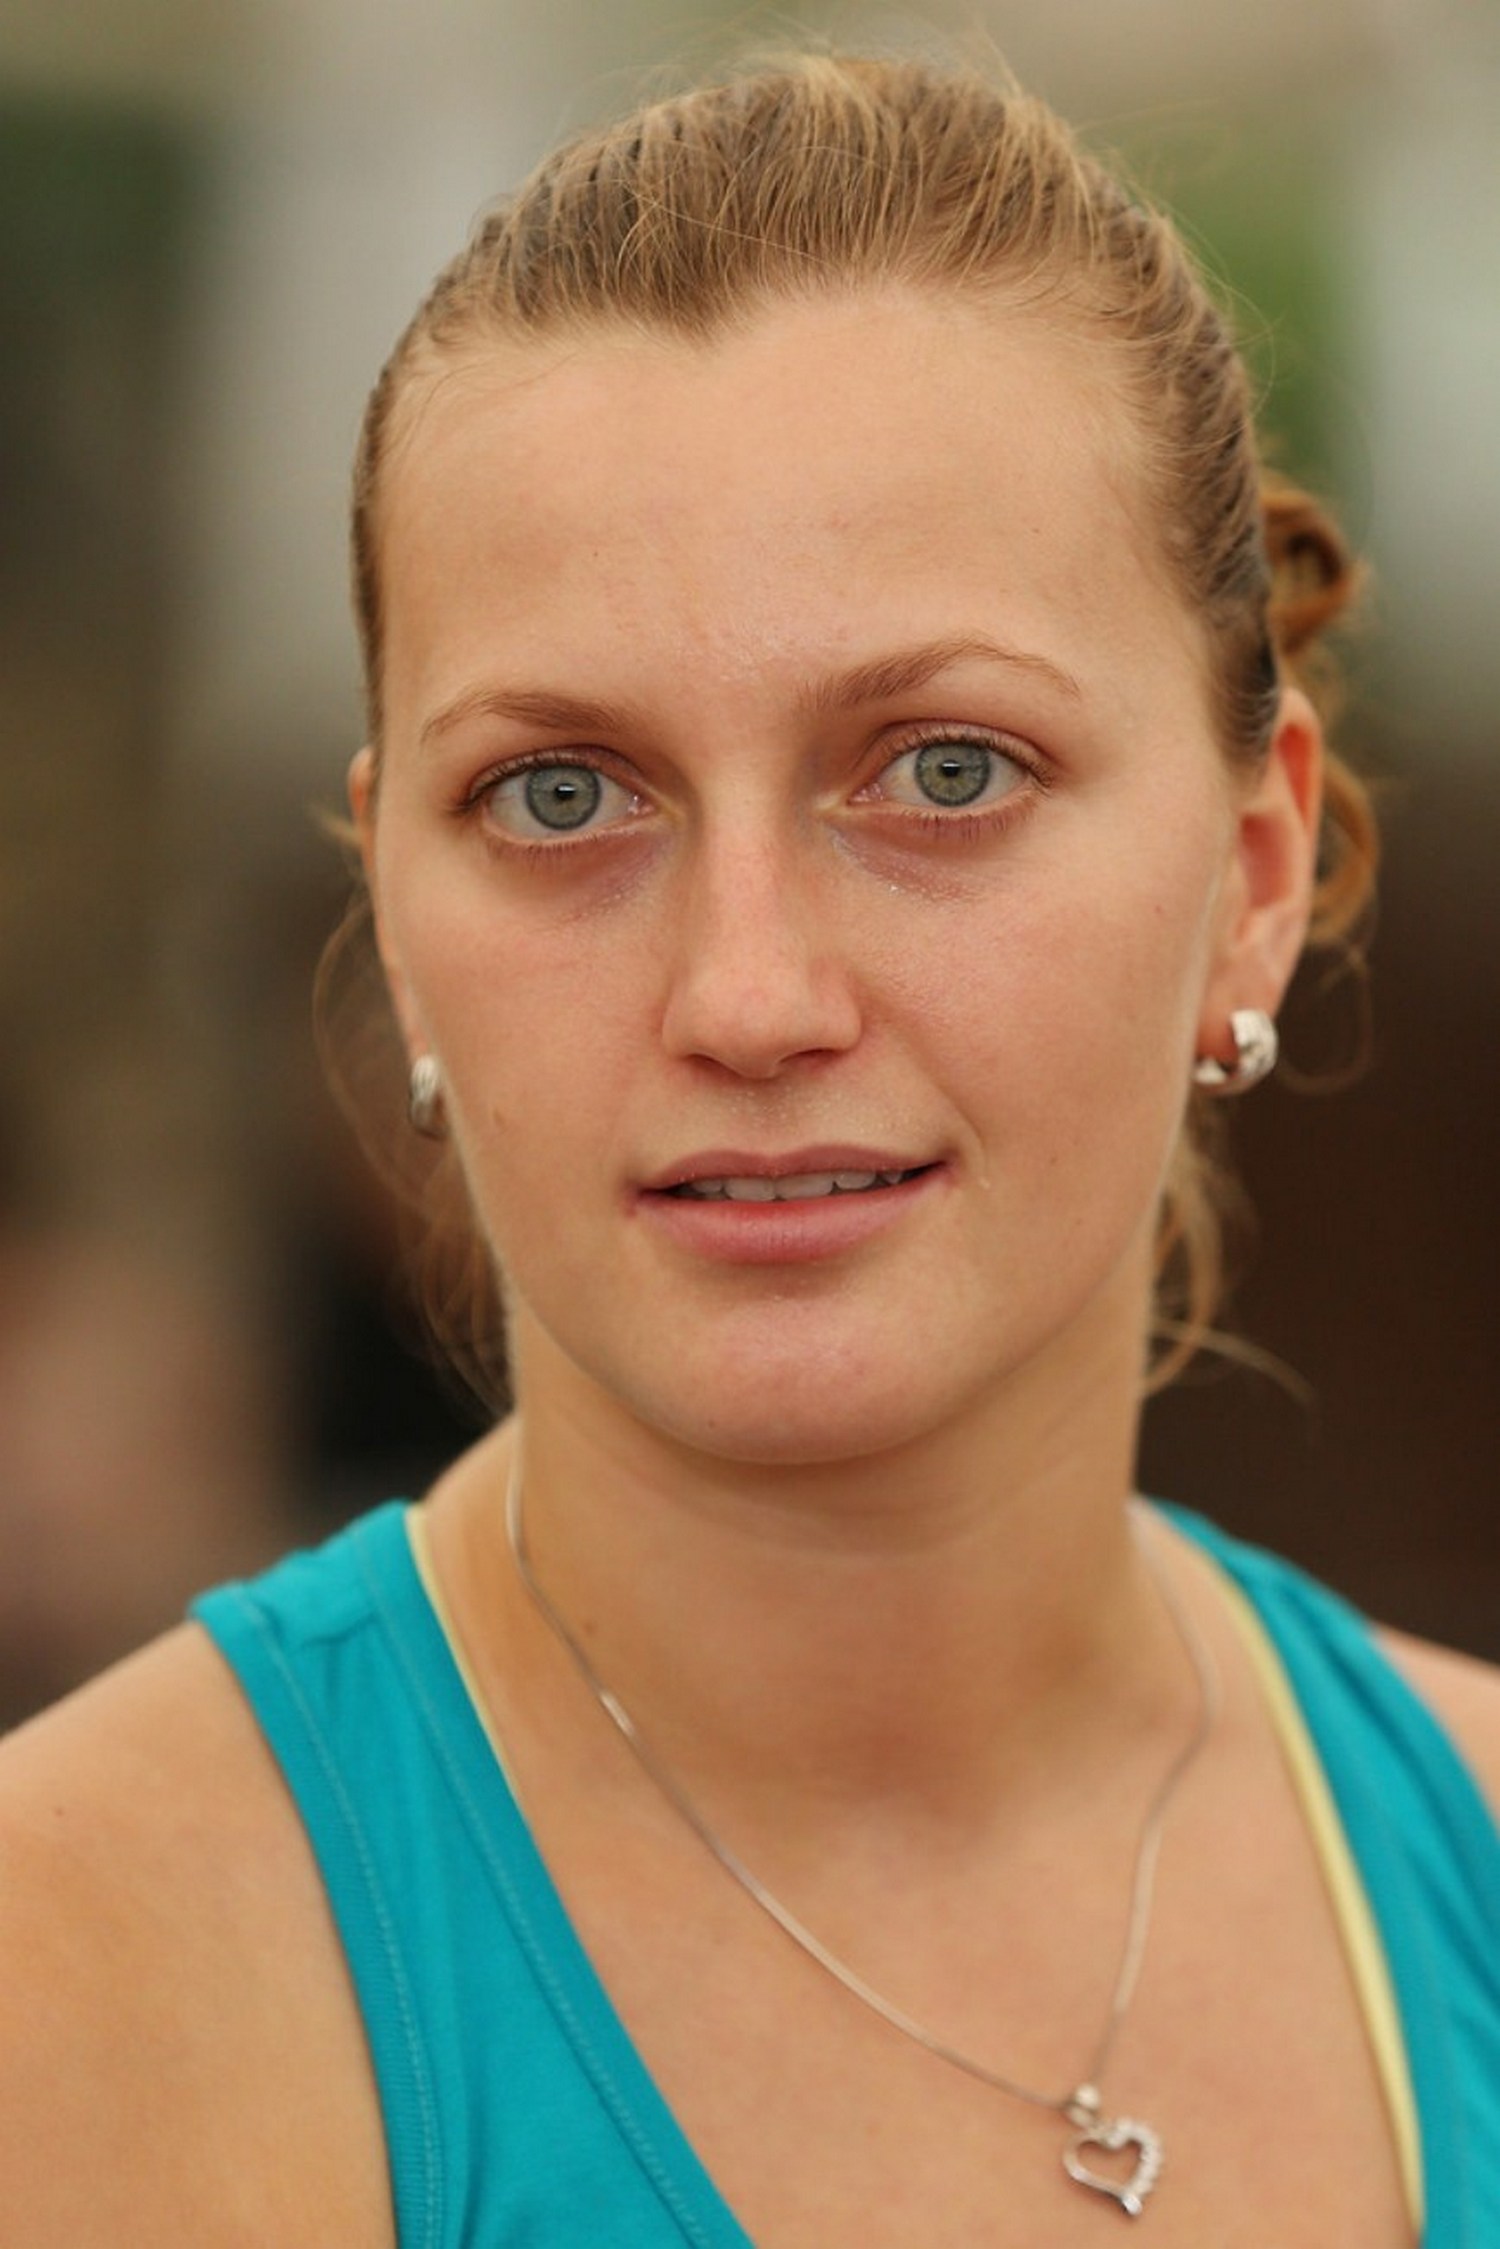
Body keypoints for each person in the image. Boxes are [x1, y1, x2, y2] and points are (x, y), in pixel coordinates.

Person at [1, 50, 1496, 2247]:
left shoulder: (1465, 1861)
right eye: (562, 797)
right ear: (396, 921)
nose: (749, 993)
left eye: (948, 771)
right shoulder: (76, 1973)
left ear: (1252, 875)